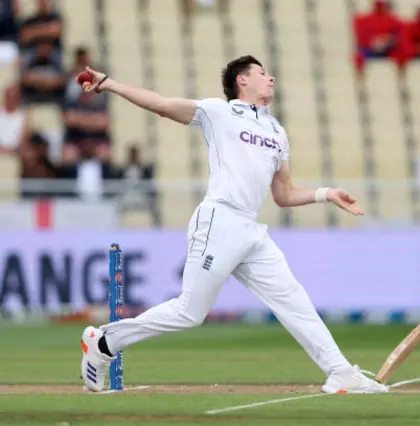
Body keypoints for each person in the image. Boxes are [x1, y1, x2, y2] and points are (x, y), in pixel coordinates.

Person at [77, 55, 388, 395]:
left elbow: (283, 194)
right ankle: (104, 341)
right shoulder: (218, 112)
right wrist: (108, 84)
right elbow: (163, 105)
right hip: (219, 220)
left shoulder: (276, 131)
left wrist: (326, 194)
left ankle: (340, 372)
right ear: (242, 81)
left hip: (251, 231)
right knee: (189, 312)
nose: (270, 78)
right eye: (262, 73)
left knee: (294, 299)